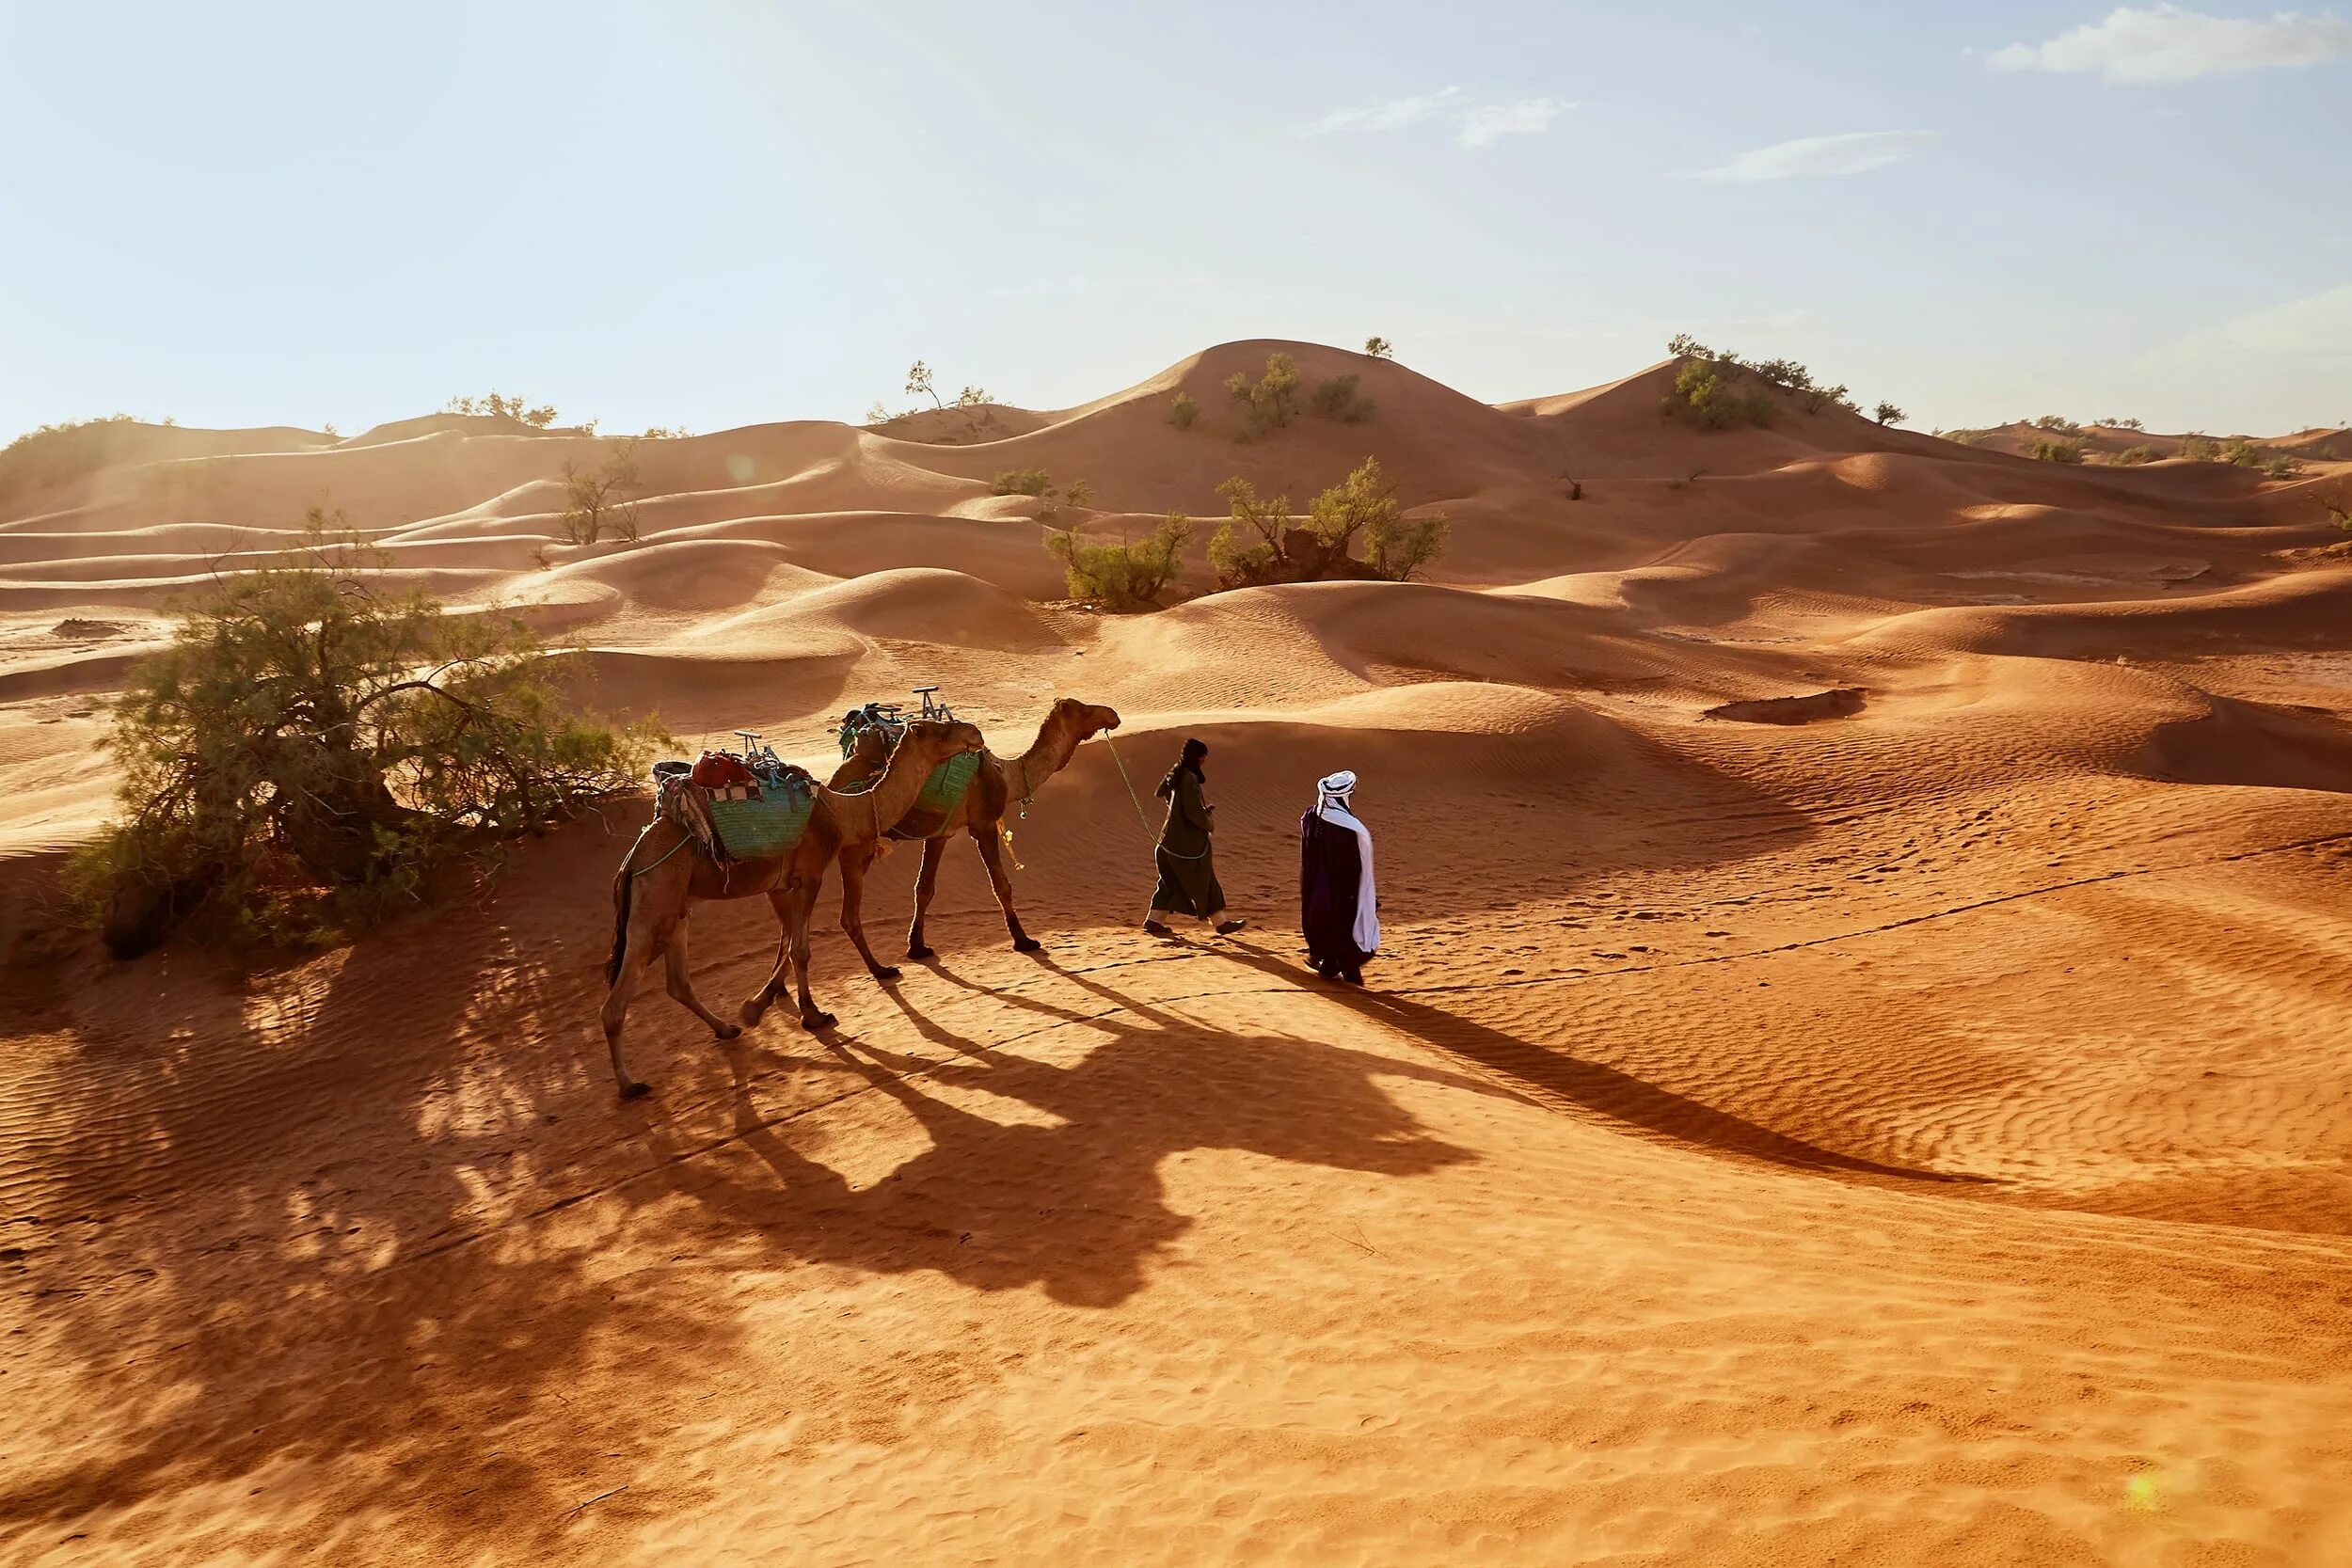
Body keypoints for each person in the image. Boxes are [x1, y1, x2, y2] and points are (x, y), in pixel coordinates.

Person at [1145, 737, 1246, 938]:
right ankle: (1221, 922)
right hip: (1186, 847)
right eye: (1202, 757)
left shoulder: (1177, 773)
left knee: (1169, 881)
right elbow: (1192, 812)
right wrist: (1207, 820)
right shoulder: (1188, 777)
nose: (1204, 761)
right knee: (1206, 879)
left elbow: (1160, 792)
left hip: (1168, 842)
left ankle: (1154, 921)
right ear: (1197, 757)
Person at [1300, 770, 1378, 983]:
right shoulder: (1349, 827)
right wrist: (1363, 894)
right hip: (1343, 890)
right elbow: (1352, 865)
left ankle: (1327, 964)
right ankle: (1341, 973)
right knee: (1349, 931)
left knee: (1328, 926)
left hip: (1316, 885)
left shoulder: (1310, 816)